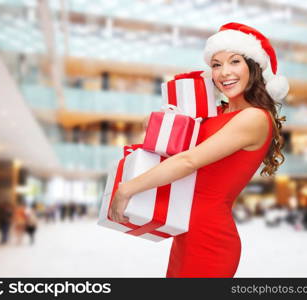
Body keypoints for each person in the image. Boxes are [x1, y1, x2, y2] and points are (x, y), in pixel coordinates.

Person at [109, 22, 289, 277]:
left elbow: (189, 161)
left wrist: (128, 188)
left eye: (234, 61)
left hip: (209, 239)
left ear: (253, 67)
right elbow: (169, 151)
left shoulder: (255, 118)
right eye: (216, 64)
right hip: (185, 232)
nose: (224, 72)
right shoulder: (216, 113)